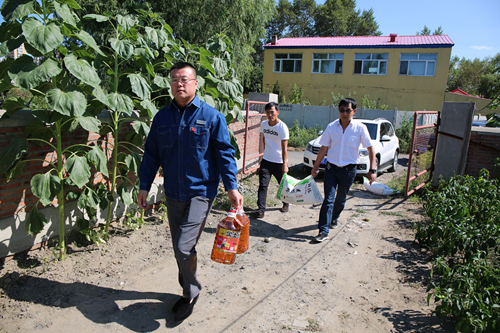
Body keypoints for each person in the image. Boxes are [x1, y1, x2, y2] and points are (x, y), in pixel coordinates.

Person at [138, 62, 243, 322]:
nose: (179, 84)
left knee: (184, 246)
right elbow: (151, 155)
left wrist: (231, 186)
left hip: (201, 192)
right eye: (174, 79)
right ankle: (187, 286)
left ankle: (191, 291)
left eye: (184, 79)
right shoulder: (162, 117)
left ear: (196, 83)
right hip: (173, 192)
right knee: (179, 247)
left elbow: (225, 154)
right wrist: (144, 185)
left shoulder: (211, 117)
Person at [311, 97, 376, 243]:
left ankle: (334, 218)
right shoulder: (331, 127)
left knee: (340, 199)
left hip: (349, 171)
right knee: (328, 199)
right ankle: (323, 231)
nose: (344, 113)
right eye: (342, 110)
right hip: (331, 169)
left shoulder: (360, 128)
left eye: (348, 110)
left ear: (354, 111)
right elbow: (323, 148)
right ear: (338, 110)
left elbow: (371, 149)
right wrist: (315, 167)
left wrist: (372, 169)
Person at [254, 102, 289, 218]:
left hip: (279, 162)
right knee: (263, 185)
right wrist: (261, 157)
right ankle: (261, 209)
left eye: (272, 112)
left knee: (282, 185)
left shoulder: (282, 127)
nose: (270, 115)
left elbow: (285, 148)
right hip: (267, 161)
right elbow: (263, 141)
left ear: (277, 112)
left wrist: (285, 165)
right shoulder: (264, 125)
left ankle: (285, 203)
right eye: (268, 112)